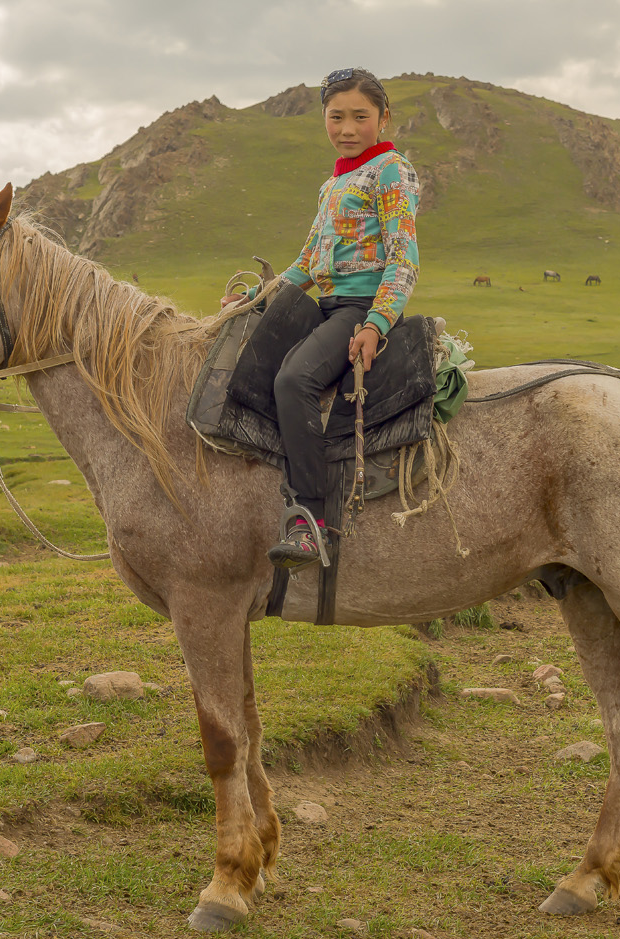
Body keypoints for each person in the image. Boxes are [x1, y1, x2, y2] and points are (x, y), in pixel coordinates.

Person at [219, 67, 420, 569]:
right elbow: (307, 261)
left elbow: (403, 257)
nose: (348, 128)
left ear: (383, 118)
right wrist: (255, 300)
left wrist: (376, 323)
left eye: (360, 116)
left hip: (358, 308)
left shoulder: (391, 171)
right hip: (319, 305)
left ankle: (313, 522)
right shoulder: (333, 183)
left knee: (294, 380)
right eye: (336, 117)